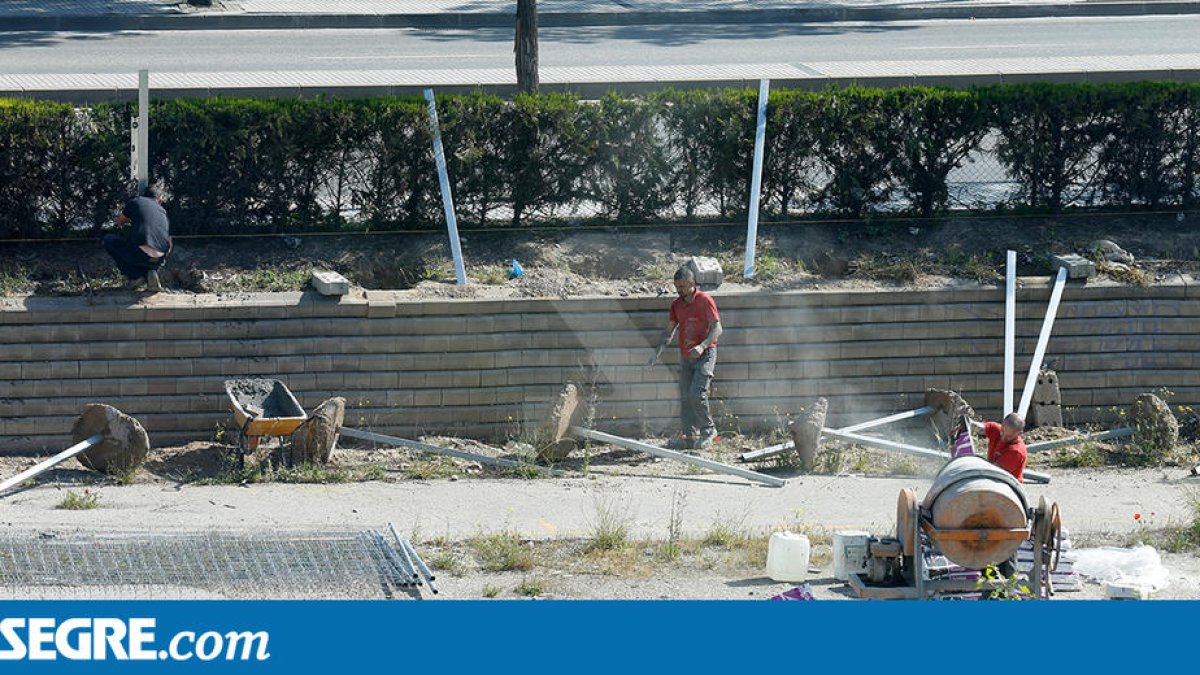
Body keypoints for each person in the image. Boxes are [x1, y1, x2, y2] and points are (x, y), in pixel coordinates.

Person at [648, 266, 723, 450]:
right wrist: (657, 352)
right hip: (686, 357)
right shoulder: (676, 305)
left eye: (682, 286)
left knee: (697, 394)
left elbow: (717, 329)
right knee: (685, 397)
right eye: (676, 286)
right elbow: (669, 331)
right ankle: (688, 437)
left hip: (705, 354)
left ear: (692, 284)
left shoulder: (705, 300)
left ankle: (709, 431)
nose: (678, 290)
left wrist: (702, 346)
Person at [103, 186, 171, 292]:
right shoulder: (163, 211)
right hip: (160, 256)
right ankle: (151, 272)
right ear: (159, 199)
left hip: (140, 252)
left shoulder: (136, 202)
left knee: (109, 240)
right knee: (148, 247)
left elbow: (120, 221)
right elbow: (168, 241)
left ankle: (135, 276)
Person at [983, 413, 1028, 482]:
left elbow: (993, 471)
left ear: (1019, 434)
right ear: (1002, 425)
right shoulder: (997, 430)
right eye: (1002, 432)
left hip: (1007, 486)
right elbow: (977, 427)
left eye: (1008, 436)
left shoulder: (1016, 452)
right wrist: (966, 418)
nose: (1003, 438)